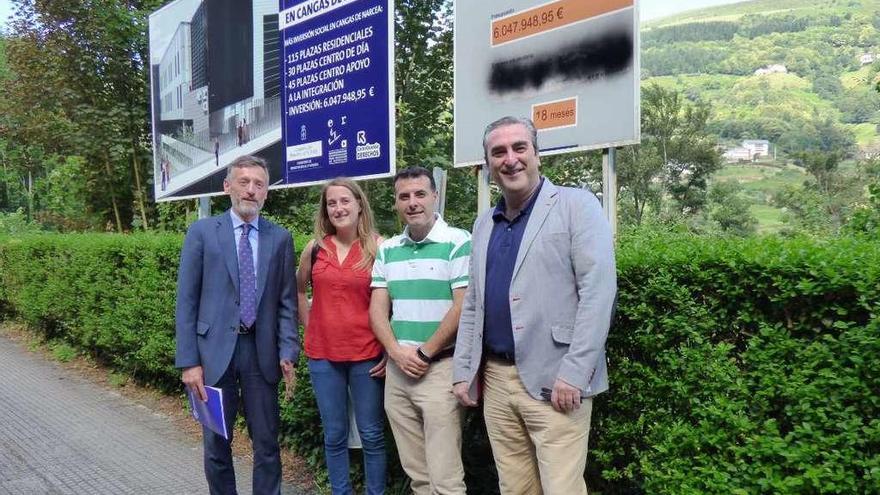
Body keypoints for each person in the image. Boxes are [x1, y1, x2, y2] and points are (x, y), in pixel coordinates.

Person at [452, 116, 617, 495]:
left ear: (537, 154)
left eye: (519, 148)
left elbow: (598, 293)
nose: (510, 159)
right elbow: (474, 303)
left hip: (556, 381)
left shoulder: (577, 205)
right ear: (489, 164)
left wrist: (575, 373)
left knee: (561, 489)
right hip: (496, 382)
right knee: (515, 488)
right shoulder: (484, 224)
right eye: (499, 152)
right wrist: (464, 369)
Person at [175, 154, 298, 495]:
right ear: (228, 186)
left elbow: (287, 302)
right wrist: (189, 363)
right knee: (216, 446)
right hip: (213, 358)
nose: (251, 190)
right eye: (244, 182)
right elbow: (186, 300)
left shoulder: (280, 238)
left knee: (268, 445)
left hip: (261, 355)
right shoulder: (202, 232)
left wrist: (289, 351)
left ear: (266, 193)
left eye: (259, 184)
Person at [369, 166, 471, 495]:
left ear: (435, 197)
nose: (412, 202)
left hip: (440, 370)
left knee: (445, 478)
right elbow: (377, 309)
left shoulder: (458, 242)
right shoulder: (388, 249)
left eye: (420, 194)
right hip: (399, 373)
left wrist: (424, 353)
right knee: (418, 476)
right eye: (404, 196)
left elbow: (462, 306)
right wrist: (397, 353)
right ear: (396, 203)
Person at [296, 178, 387, 495]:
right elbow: (298, 290)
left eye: (345, 201)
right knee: (334, 434)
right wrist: (311, 327)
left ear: (359, 204)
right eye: (332, 203)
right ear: (325, 210)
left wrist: (389, 350)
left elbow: (392, 304)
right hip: (324, 358)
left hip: (367, 356)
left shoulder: (379, 247)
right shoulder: (315, 248)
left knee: (372, 434)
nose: (338, 208)